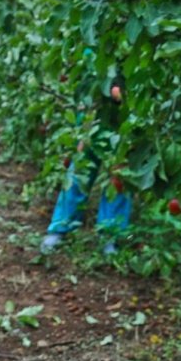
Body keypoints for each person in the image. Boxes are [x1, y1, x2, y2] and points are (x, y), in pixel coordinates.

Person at [40, 70, 131, 256]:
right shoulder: (95, 49)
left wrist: (126, 96)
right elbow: (87, 85)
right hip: (95, 123)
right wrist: (83, 129)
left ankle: (110, 236)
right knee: (78, 174)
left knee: (119, 179)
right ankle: (60, 228)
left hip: (125, 124)